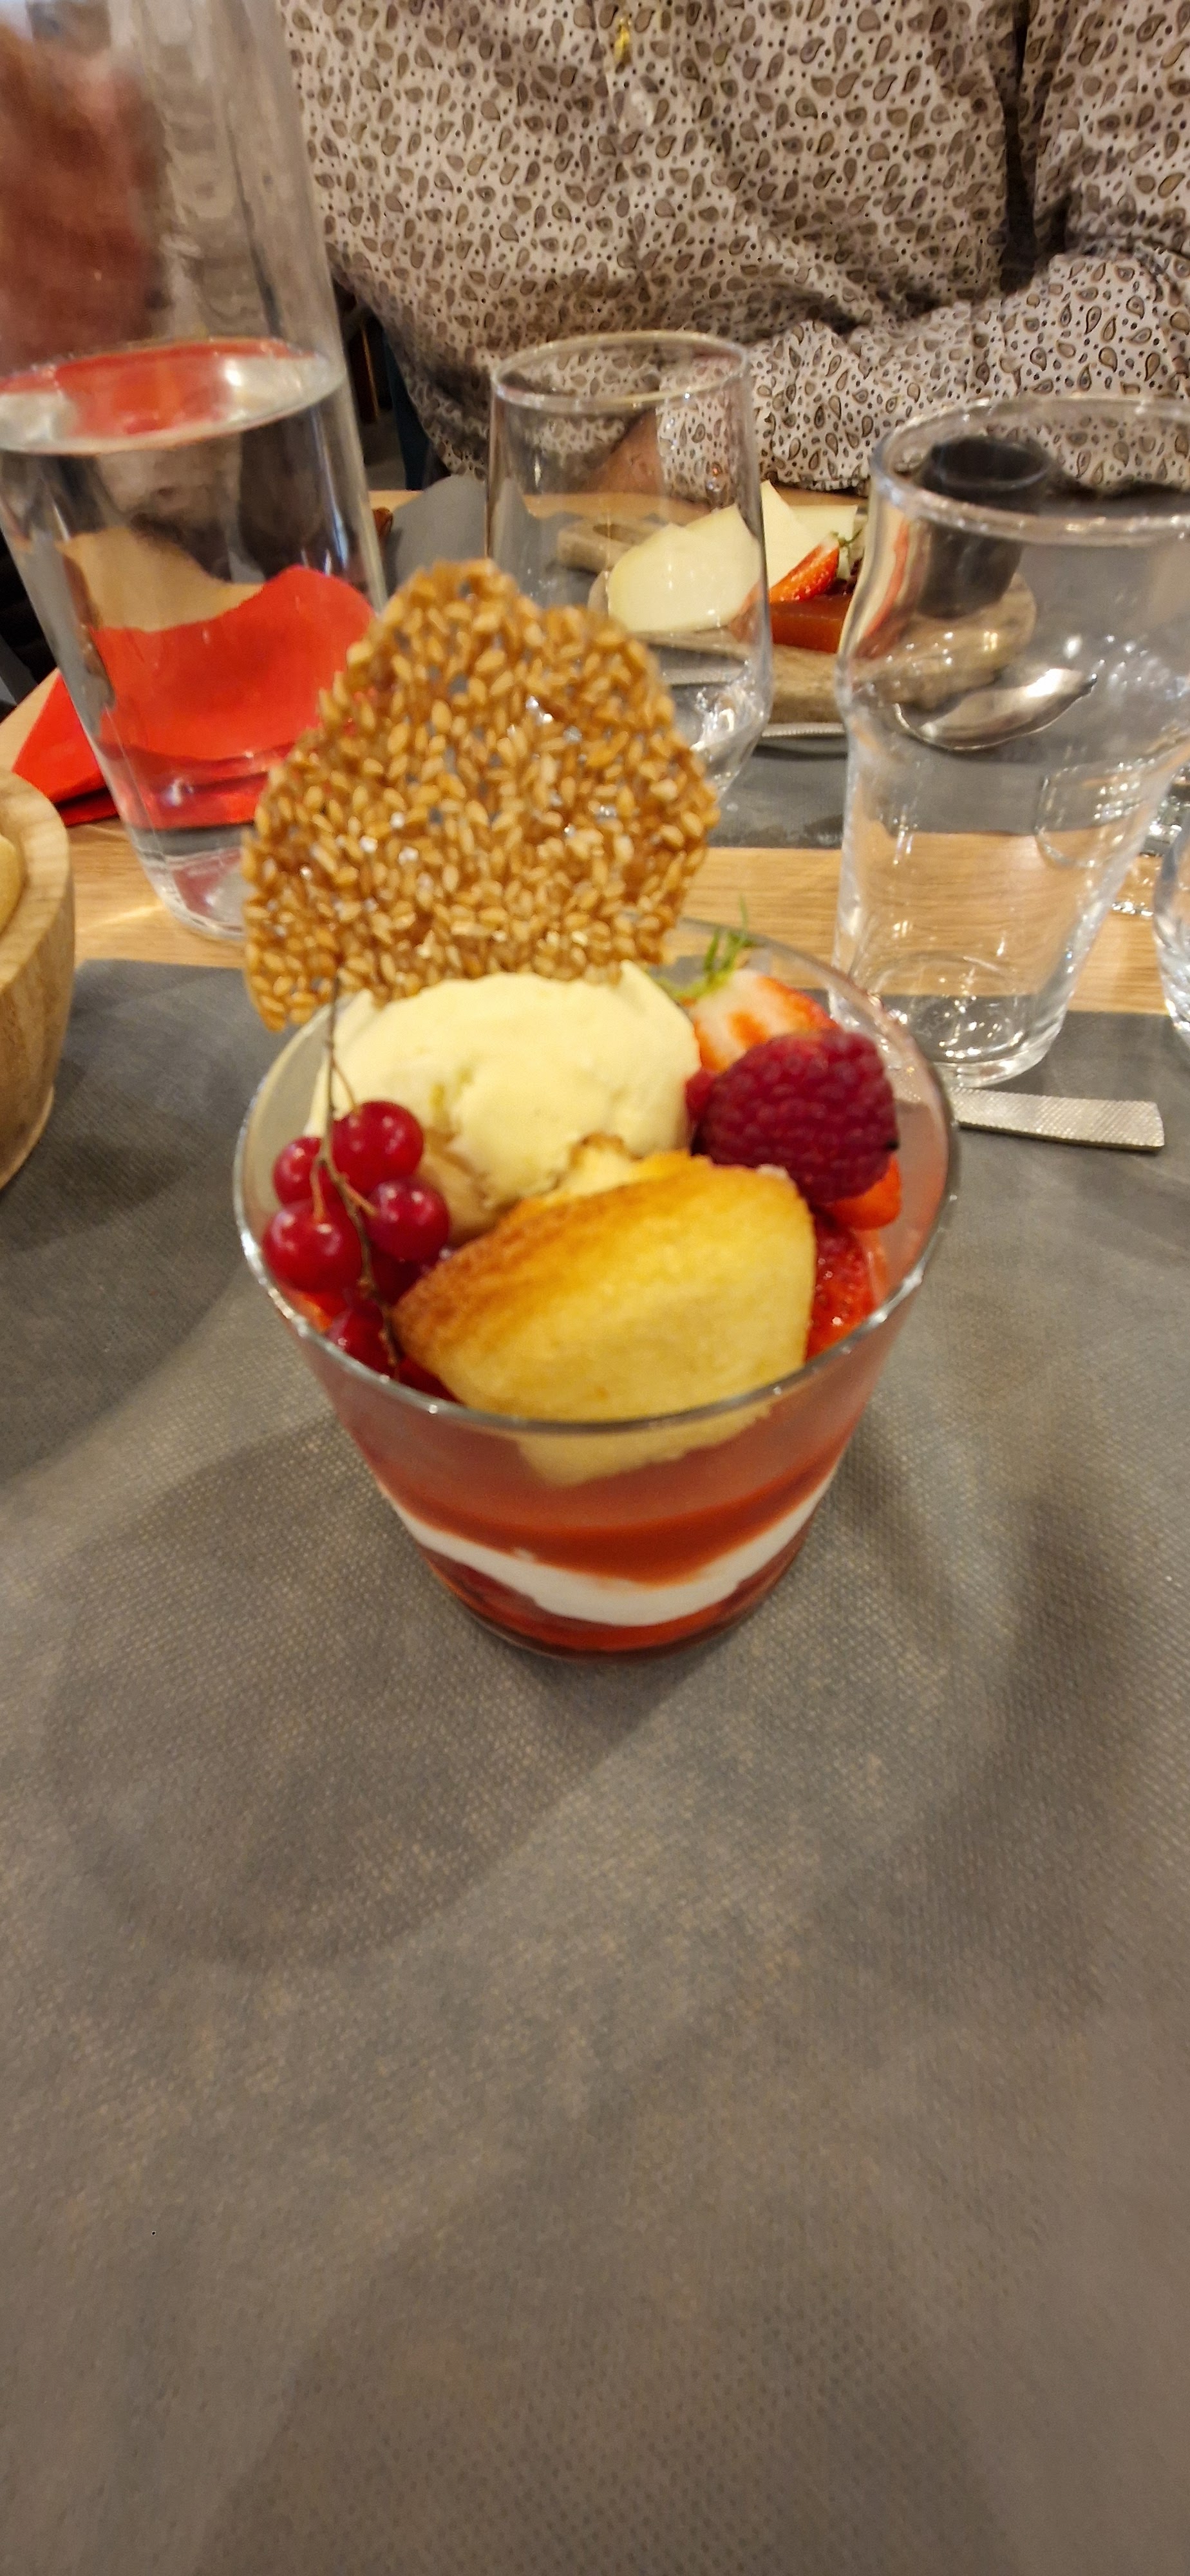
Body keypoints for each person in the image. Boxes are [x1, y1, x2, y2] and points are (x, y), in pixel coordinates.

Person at [1, 1, 1188, 494]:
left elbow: (1168, 295)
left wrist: (717, 433)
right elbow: (207, 470)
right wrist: (119, 304)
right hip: (514, 661)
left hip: (1002, 602)